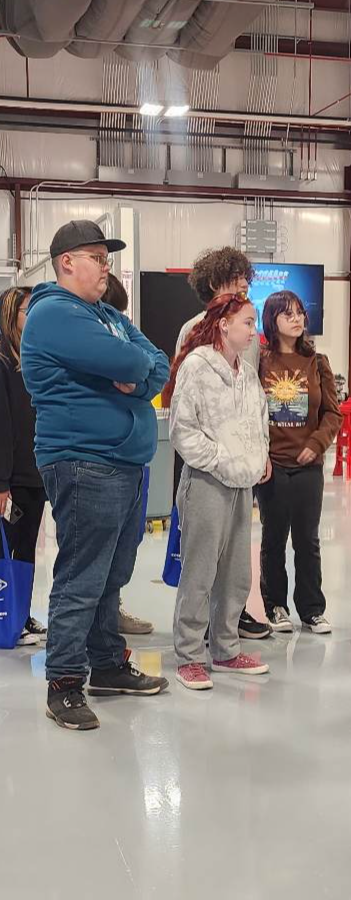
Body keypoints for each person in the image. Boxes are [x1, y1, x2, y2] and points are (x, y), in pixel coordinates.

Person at [21, 220, 171, 730]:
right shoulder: (54, 314)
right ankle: (64, 683)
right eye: (98, 257)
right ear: (68, 262)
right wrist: (135, 367)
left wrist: (140, 371)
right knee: (81, 579)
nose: (106, 267)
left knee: (111, 576)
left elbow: (155, 361)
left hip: (122, 464)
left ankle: (106, 665)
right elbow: (127, 357)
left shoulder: (105, 313)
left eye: (108, 259)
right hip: (84, 461)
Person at [164, 291, 272, 690]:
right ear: (224, 324)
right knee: (200, 570)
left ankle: (225, 649)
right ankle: (190, 655)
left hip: (243, 484)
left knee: (236, 573)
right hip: (208, 482)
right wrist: (221, 459)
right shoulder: (197, 366)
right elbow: (182, 430)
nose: (254, 330)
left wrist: (258, 456)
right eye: (247, 321)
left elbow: (259, 418)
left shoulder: (244, 370)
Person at [258, 290, 343, 634]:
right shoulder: (260, 360)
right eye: (287, 314)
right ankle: (275, 605)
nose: (296, 319)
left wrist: (317, 443)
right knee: (273, 537)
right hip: (272, 465)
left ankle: (311, 609)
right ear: (272, 321)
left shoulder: (318, 362)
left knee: (307, 539)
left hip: (308, 465)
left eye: (299, 314)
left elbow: (332, 414)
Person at [99, 273, 156, 636]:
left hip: (134, 458)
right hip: (101, 462)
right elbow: (135, 368)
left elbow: (156, 365)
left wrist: (143, 378)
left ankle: (111, 616)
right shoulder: (87, 337)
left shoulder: (123, 331)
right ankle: (92, 642)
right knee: (94, 558)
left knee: (124, 549)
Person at [0, 286, 48, 646]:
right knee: (9, 548)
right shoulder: (2, 365)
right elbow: (4, 426)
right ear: (10, 316)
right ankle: (7, 615)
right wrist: (3, 481)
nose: (33, 318)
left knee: (27, 549)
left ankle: (22, 615)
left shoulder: (31, 361)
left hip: (35, 474)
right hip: (12, 476)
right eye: (27, 311)